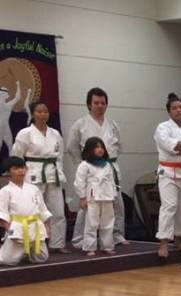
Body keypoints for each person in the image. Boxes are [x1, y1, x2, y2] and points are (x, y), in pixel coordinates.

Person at [67, 87, 127, 247]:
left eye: (103, 103)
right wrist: (84, 164)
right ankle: (80, 238)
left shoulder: (112, 124)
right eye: (96, 103)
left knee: (116, 203)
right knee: (88, 205)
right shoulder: (80, 124)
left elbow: (119, 146)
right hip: (90, 168)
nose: (100, 106)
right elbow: (72, 147)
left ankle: (117, 235)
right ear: (89, 104)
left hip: (110, 166)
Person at [11, 101, 68, 253]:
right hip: (33, 173)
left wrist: (59, 171)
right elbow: (17, 155)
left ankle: (58, 243)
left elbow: (60, 156)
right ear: (33, 114)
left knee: (57, 211)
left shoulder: (55, 133)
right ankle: (34, 243)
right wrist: (19, 174)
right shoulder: (25, 133)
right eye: (39, 111)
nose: (43, 114)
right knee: (33, 210)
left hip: (53, 174)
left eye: (45, 112)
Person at [154, 93, 181, 258]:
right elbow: (172, 146)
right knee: (169, 206)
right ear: (169, 111)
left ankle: (178, 240)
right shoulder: (162, 128)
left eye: (180, 107)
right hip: (168, 172)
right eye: (174, 108)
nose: (178, 110)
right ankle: (164, 243)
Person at [0, 156, 51, 265]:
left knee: (42, 258)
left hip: (35, 226)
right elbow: (2, 212)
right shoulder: (5, 191)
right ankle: (19, 251)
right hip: (18, 227)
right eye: (16, 168)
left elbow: (42, 209)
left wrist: (47, 226)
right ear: (8, 172)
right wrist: (8, 228)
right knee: (7, 260)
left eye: (22, 168)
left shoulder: (34, 189)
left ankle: (27, 253)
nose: (21, 171)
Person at [74, 137, 117, 256]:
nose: (100, 149)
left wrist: (113, 196)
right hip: (92, 197)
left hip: (107, 196)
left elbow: (112, 181)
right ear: (90, 149)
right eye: (97, 147)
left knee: (107, 222)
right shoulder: (84, 164)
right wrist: (82, 197)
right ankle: (90, 247)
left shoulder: (107, 165)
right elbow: (79, 182)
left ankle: (107, 246)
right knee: (92, 223)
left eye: (102, 147)